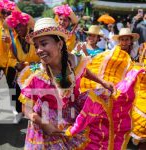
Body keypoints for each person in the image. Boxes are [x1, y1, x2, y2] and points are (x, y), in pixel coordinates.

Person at [18, 17, 114, 149]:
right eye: (36, 46)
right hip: (46, 127)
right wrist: (42, 123)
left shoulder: (74, 62)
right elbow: (26, 108)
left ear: (59, 44)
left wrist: (102, 82)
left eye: (44, 43)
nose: (39, 50)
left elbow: (85, 71)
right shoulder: (36, 76)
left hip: (71, 119)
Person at [4, 11, 40, 123]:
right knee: (18, 94)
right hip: (22, 75)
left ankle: (38, 115)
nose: (18, 29)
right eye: (15, 27)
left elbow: (43, 52)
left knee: (38, 97)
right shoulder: (14, 42)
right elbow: (9, 59)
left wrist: (33, 44)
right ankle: (19, 112)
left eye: (20, 26)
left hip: (38, 73)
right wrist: (15, 64)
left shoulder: (36, 38)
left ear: (26, 25)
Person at [0, 0, 20, 115]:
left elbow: (18, 45)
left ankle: (14, 108)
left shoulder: (15, 27)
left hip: (11, 60)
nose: (6, 15)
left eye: (9, 13)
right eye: (4, 12)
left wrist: (10, 41)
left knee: (13, 84)